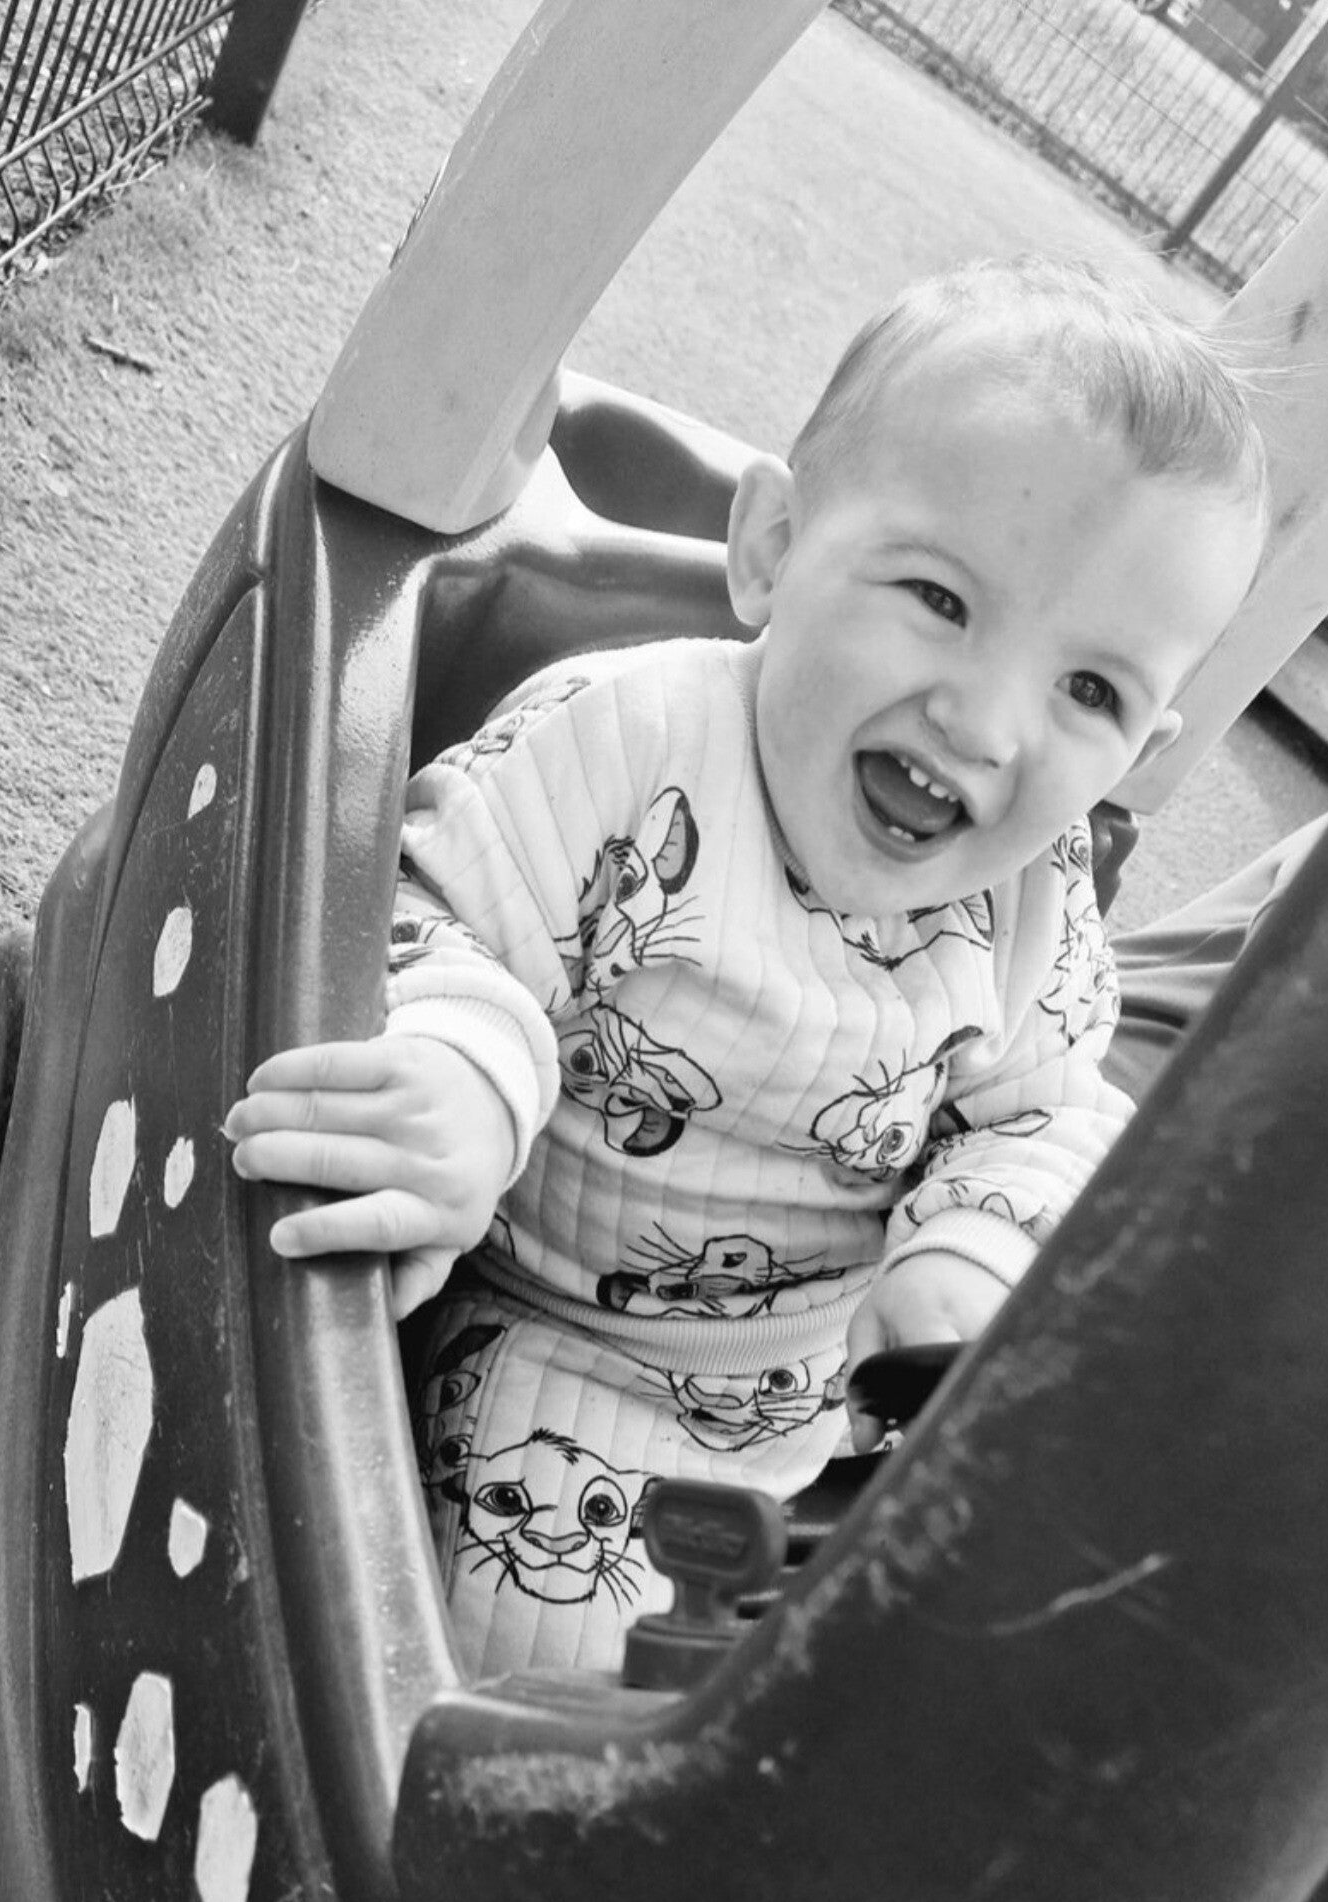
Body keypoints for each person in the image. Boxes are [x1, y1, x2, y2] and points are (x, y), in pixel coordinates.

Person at [223, 255, 1271, 1676]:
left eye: (1089, 690)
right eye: (941, 599)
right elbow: (429, 904)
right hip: (561, 1336)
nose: (986, 724)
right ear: (773, 548)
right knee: (548, 1634)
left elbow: (1039, 1112)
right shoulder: (626, 740)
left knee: (1031, 1630)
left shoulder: (1038, 899)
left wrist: (970, 1249)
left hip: (847, 1387)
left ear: (1139, 751)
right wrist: (463, 1072)